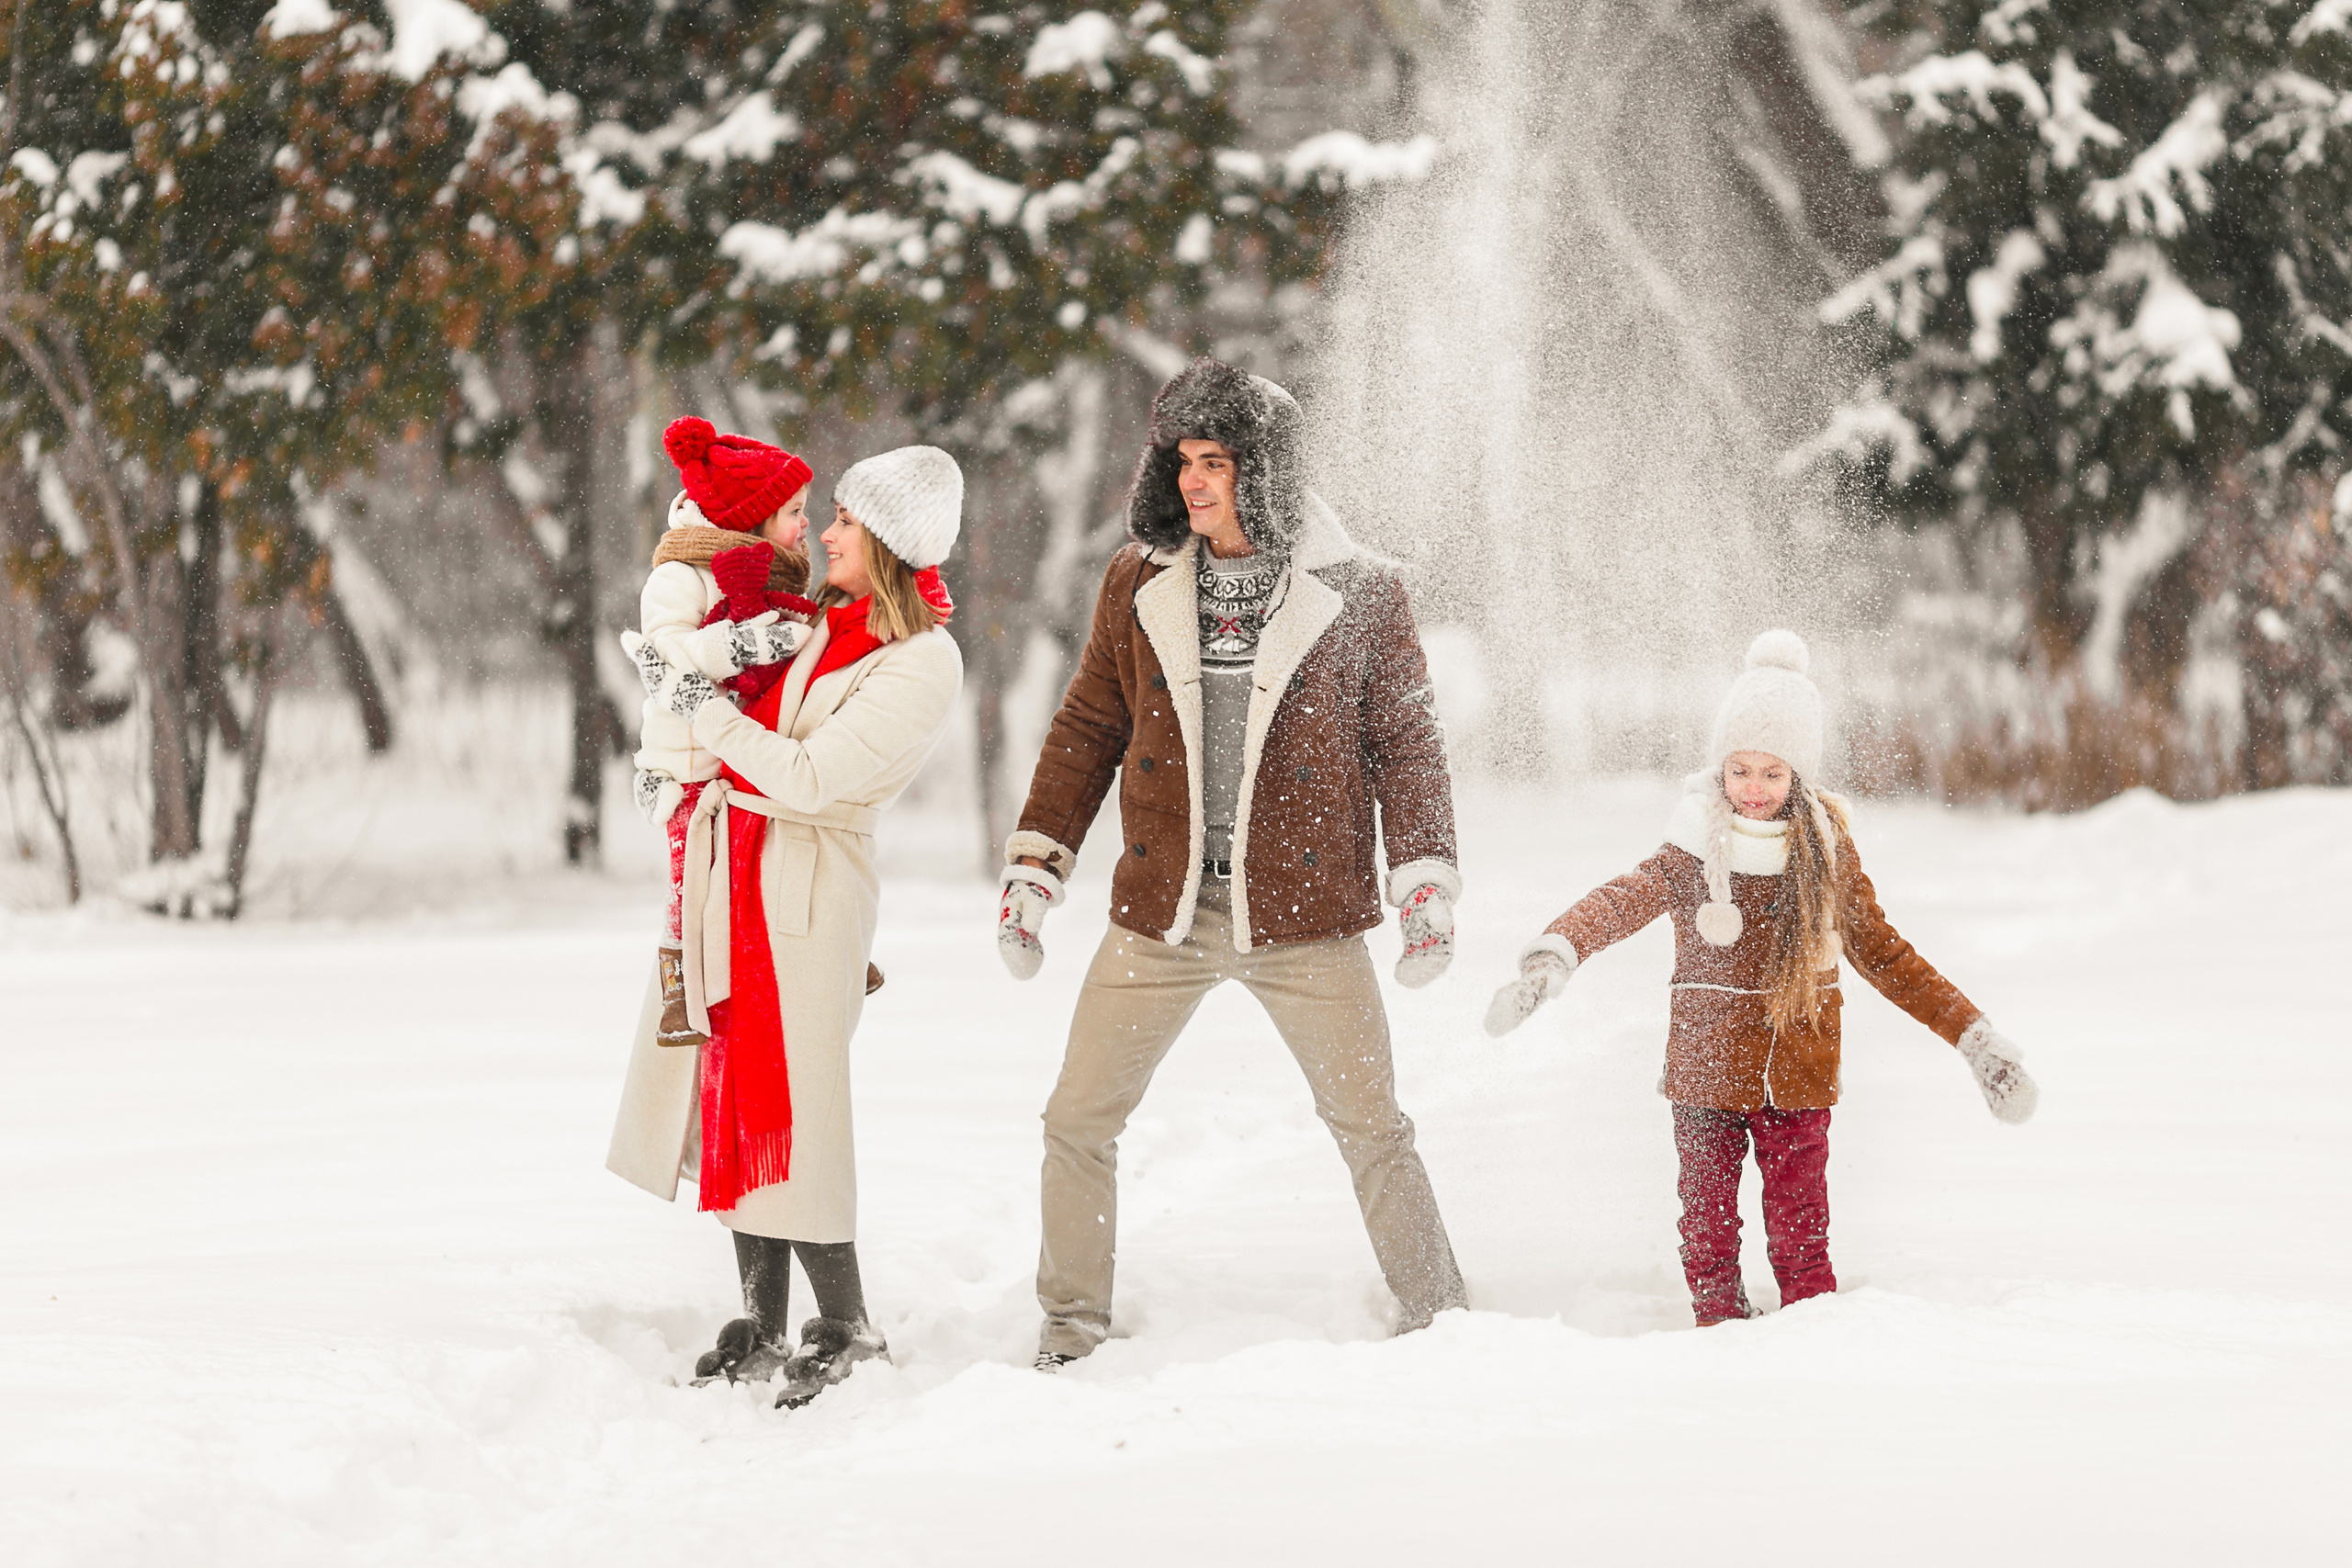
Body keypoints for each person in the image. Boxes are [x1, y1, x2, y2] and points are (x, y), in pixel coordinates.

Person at [997, 358, 1469, 1370]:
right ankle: (1069, 1334)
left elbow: (1407, 744)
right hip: (1163, 915)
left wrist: (1423, 882)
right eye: (1179, 461)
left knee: (1372, 1127)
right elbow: (1087, 726)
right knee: (1077, 1117)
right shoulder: (1136, 580)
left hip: (1305, 921)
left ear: (1264, 472)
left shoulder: (1363, 593)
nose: (1192, 483)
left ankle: (1444, 1324)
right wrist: (1039, 867)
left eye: (1215, 462)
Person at [1484, 630, 2040, 1325]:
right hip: (1706, 1067)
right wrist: (1556, 953)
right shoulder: (1690, 847)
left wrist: (1973, 1036)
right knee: (1708, 1230)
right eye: (1739, 769)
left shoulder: (1828, 855)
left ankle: (1812, 1346)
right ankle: (1719, 1342)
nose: (1753, 788)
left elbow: (1888, 956)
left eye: (1772, 773)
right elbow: (1620, 900)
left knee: (1802, 1232)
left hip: (1797, 1069)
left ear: (1798, 777)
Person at [607, 446, 966, 1405]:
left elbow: (811, 779)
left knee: (796, 1108)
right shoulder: (816, 623)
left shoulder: (921, 659)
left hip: (807, 886)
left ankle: (846, 1323)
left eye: (846, 520)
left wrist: (702, 712)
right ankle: (763, 1322)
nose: (828, 534)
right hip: (734, 874)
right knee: (729, 1089)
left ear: (884, 542)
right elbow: (713, 625)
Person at [627, 416, 820, 1050]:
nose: (806, 525)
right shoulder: (678, 574)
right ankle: (678, 993)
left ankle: (824, 948)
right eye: (794, 511)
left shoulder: (768, 571)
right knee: (689, 881)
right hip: (685, 762)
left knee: (774, 860)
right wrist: (740, 644)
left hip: (735, 754)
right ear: (752, 516)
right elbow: (670, 654)